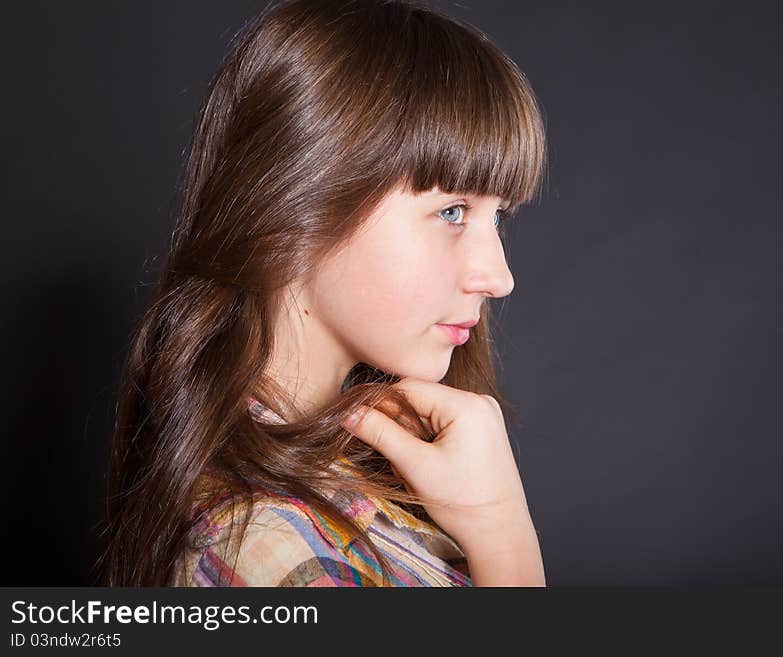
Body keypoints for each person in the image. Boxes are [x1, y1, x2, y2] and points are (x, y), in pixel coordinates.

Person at [99, 0, 548, 587]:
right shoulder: (268, 551)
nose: (499, 276)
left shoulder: (346, 470)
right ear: (297, 205)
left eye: (499, 218)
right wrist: (502, 535)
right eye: (453, 211)